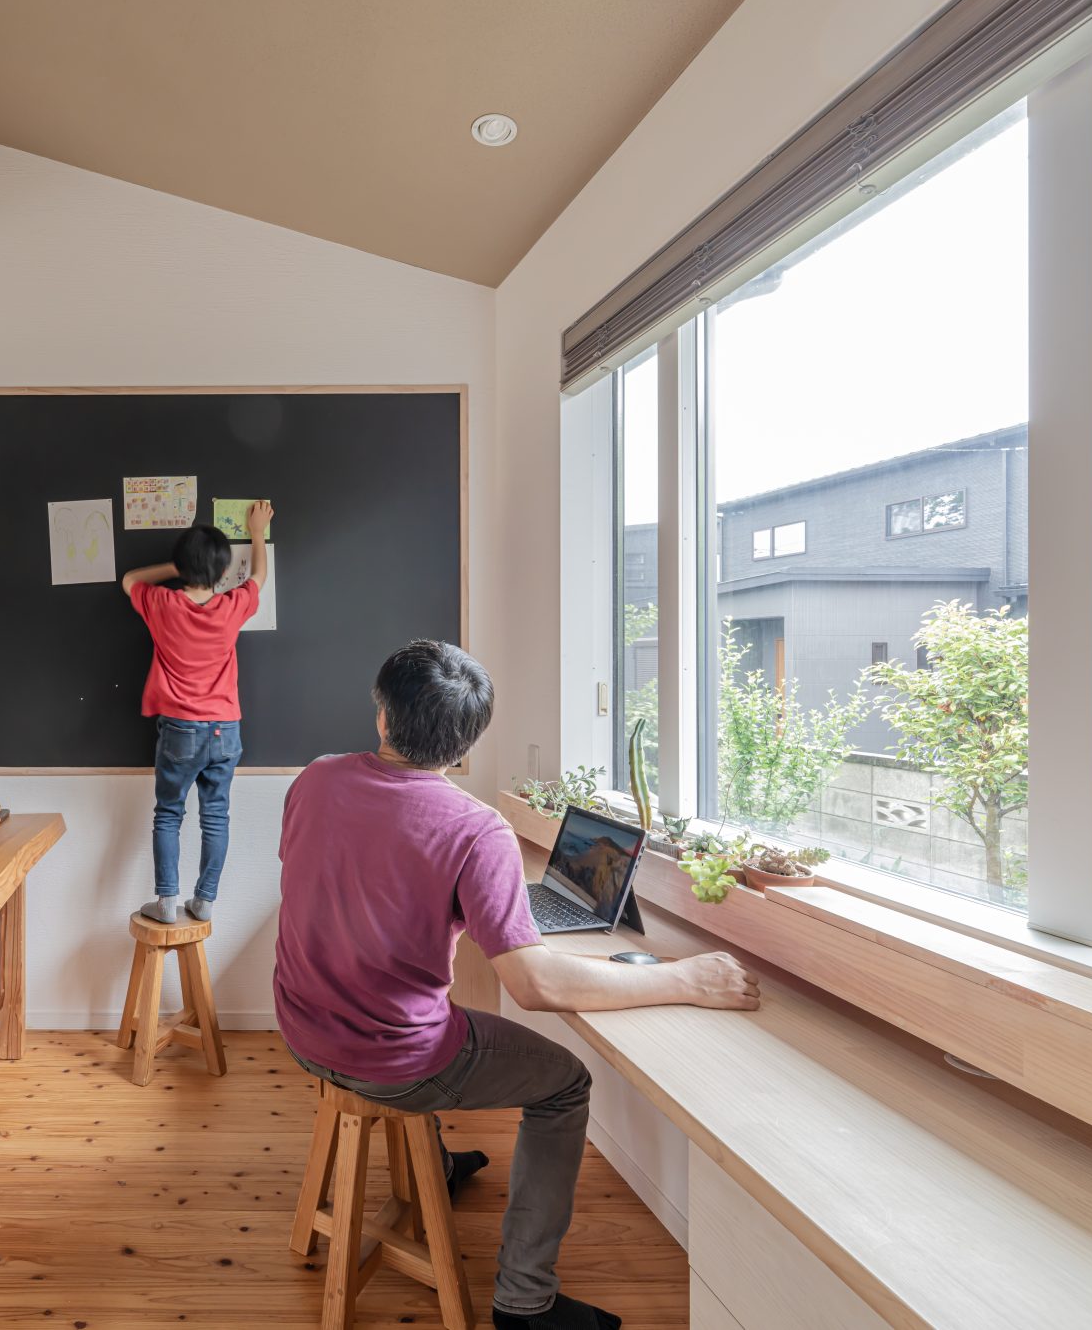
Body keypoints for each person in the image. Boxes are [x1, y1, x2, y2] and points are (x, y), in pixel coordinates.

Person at [274, 639, 760, 1330]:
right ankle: (525, 1300)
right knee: (563, 1083)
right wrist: (682, 977)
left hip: (302, 1028)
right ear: (467, 745)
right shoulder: (477, 829)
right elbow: (531, 984)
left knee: (438, 997)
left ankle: (431, 1163)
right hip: (390, 1061)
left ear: (382, 717)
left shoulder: (315, 778)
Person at [120, 500, 274, 924]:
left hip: (181, 729)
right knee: (216, 814)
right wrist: (257, 532)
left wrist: (176, 569)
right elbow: (259, 576)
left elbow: (130, 578)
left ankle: (167, 902)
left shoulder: (162, 604)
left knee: (169, 813)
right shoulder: (231, 607)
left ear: (180, 564)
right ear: (223, 572)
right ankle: (205, 901)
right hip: (226, 728)